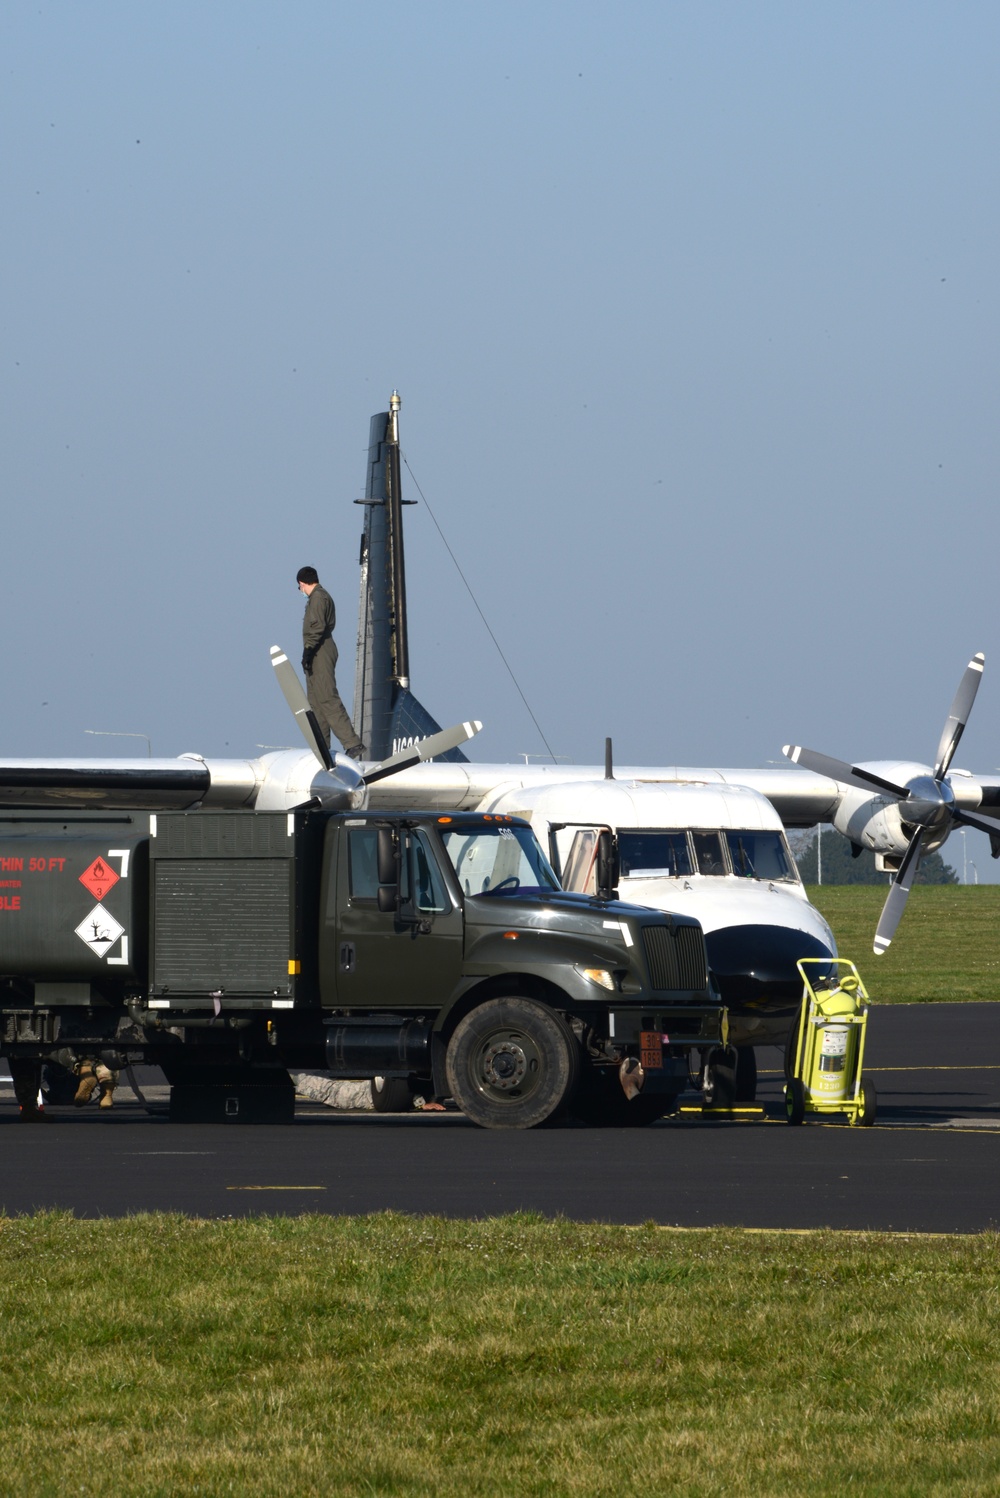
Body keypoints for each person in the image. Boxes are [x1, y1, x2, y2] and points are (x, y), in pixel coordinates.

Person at [296, 566, 365, 759]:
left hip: (320, 650)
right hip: (316, 650)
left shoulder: (318, 598)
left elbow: (316, 626)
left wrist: (308, 650)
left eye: (299, 587)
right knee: (316, 703)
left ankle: (352, 743)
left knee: (327, 697)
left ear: (302, 583)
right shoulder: (317, 598)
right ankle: (322, 748)